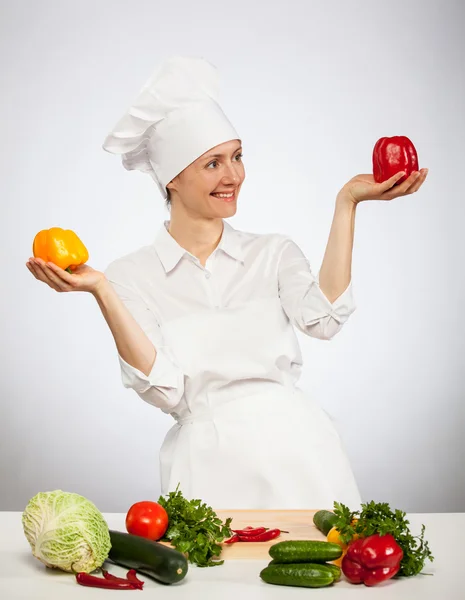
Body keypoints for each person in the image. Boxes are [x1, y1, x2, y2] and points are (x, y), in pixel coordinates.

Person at [26, 57, 428, 509]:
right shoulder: (129, 276)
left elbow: (325, 320)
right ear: (172, 179)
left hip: (303, 454)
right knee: (218, 579)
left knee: (325, 570)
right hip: (208, 465)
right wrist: (102, 291)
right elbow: (165, 390)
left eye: (237, 157)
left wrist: (346, 203)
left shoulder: (272, 253)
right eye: (213, 163)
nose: (233, 175)